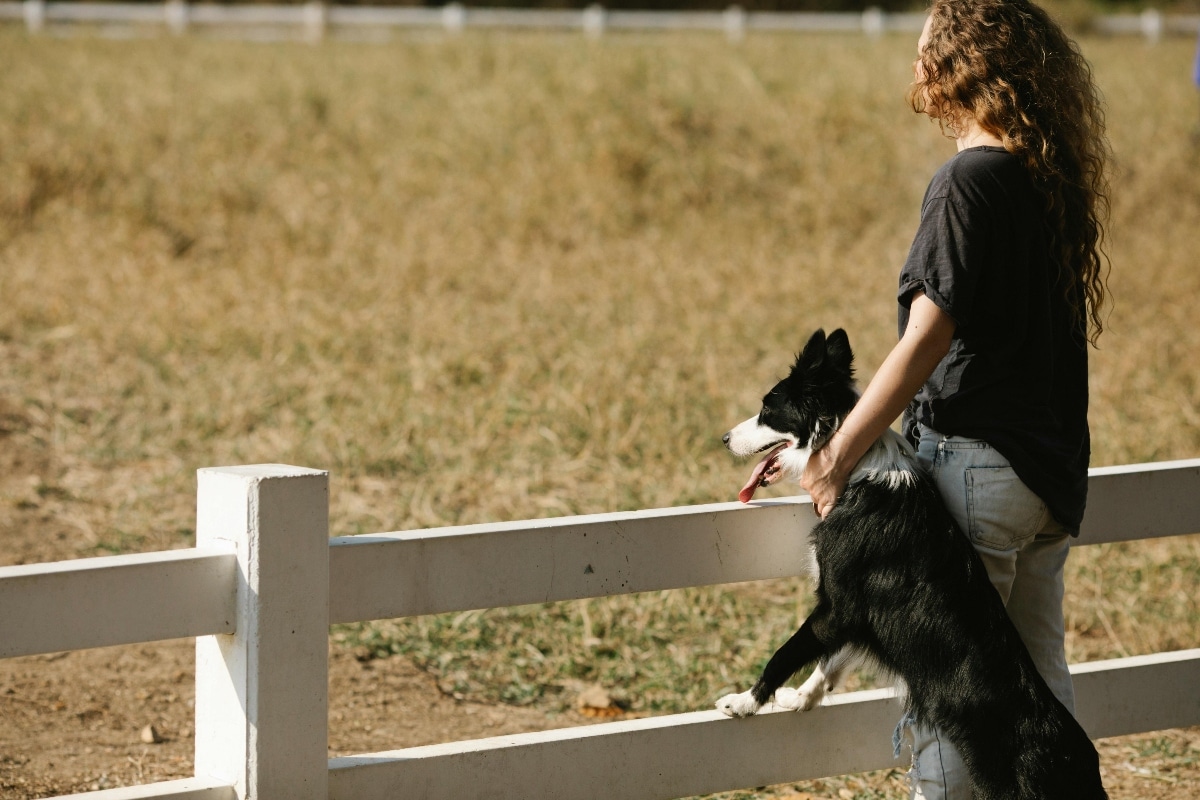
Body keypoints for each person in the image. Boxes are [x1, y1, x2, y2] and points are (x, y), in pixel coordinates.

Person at [799, 0, 1110, 797]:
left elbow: (926, 340)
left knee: (955, 706)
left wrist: (840, 454)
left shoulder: (966, 182)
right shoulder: (1044, 179)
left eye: (922, 52)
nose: (911, 68)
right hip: (1046, 479)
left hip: (977, 472)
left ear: (957, 69)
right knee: (1041, 696)